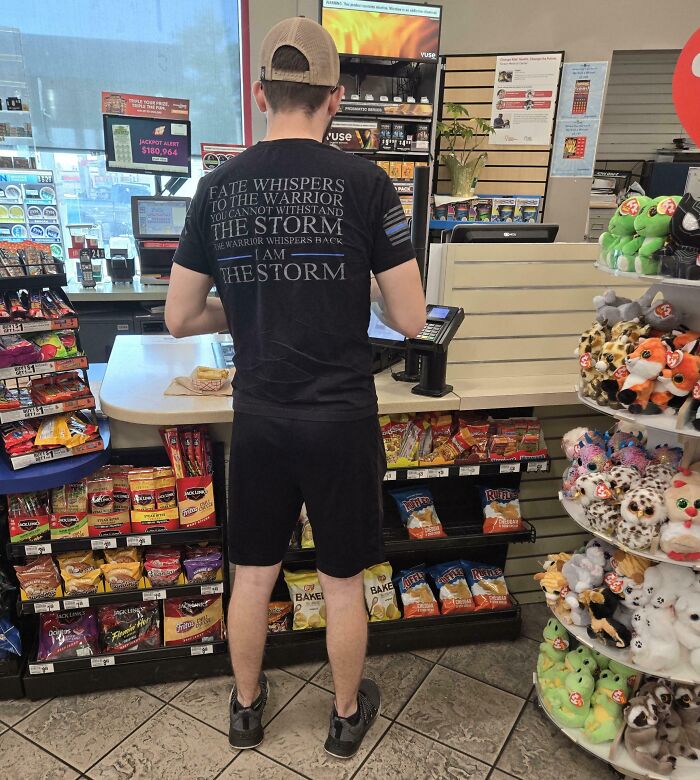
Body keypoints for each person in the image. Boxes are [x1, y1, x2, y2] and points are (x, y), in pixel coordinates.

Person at [165, 16, 425, 760]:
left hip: (262, 418)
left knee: (253, 575)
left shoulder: (216, 188)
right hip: (340, 417)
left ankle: (246, 710)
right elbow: (409, 318)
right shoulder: (368, 184)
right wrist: (356, 291)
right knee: (342, 582)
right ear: (335, 98)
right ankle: (345, 717)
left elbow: (181, 315)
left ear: (258, 95)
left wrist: (241, 303)